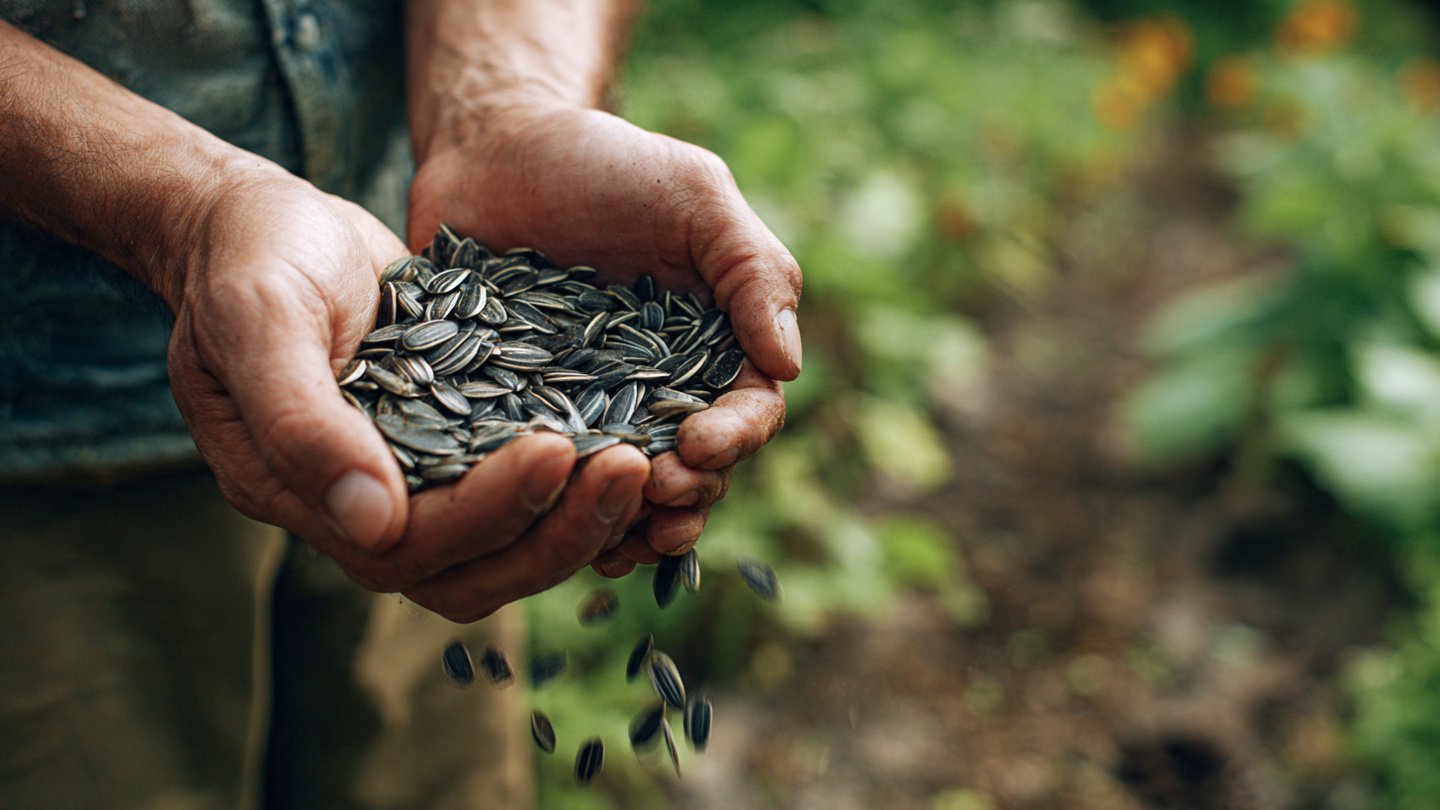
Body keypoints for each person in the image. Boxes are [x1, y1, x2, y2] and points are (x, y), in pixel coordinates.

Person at [0, 1, 802, 807]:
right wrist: (187, 210)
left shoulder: (458, 387)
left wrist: (504, 102)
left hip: (385, 347)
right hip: (35, 445)